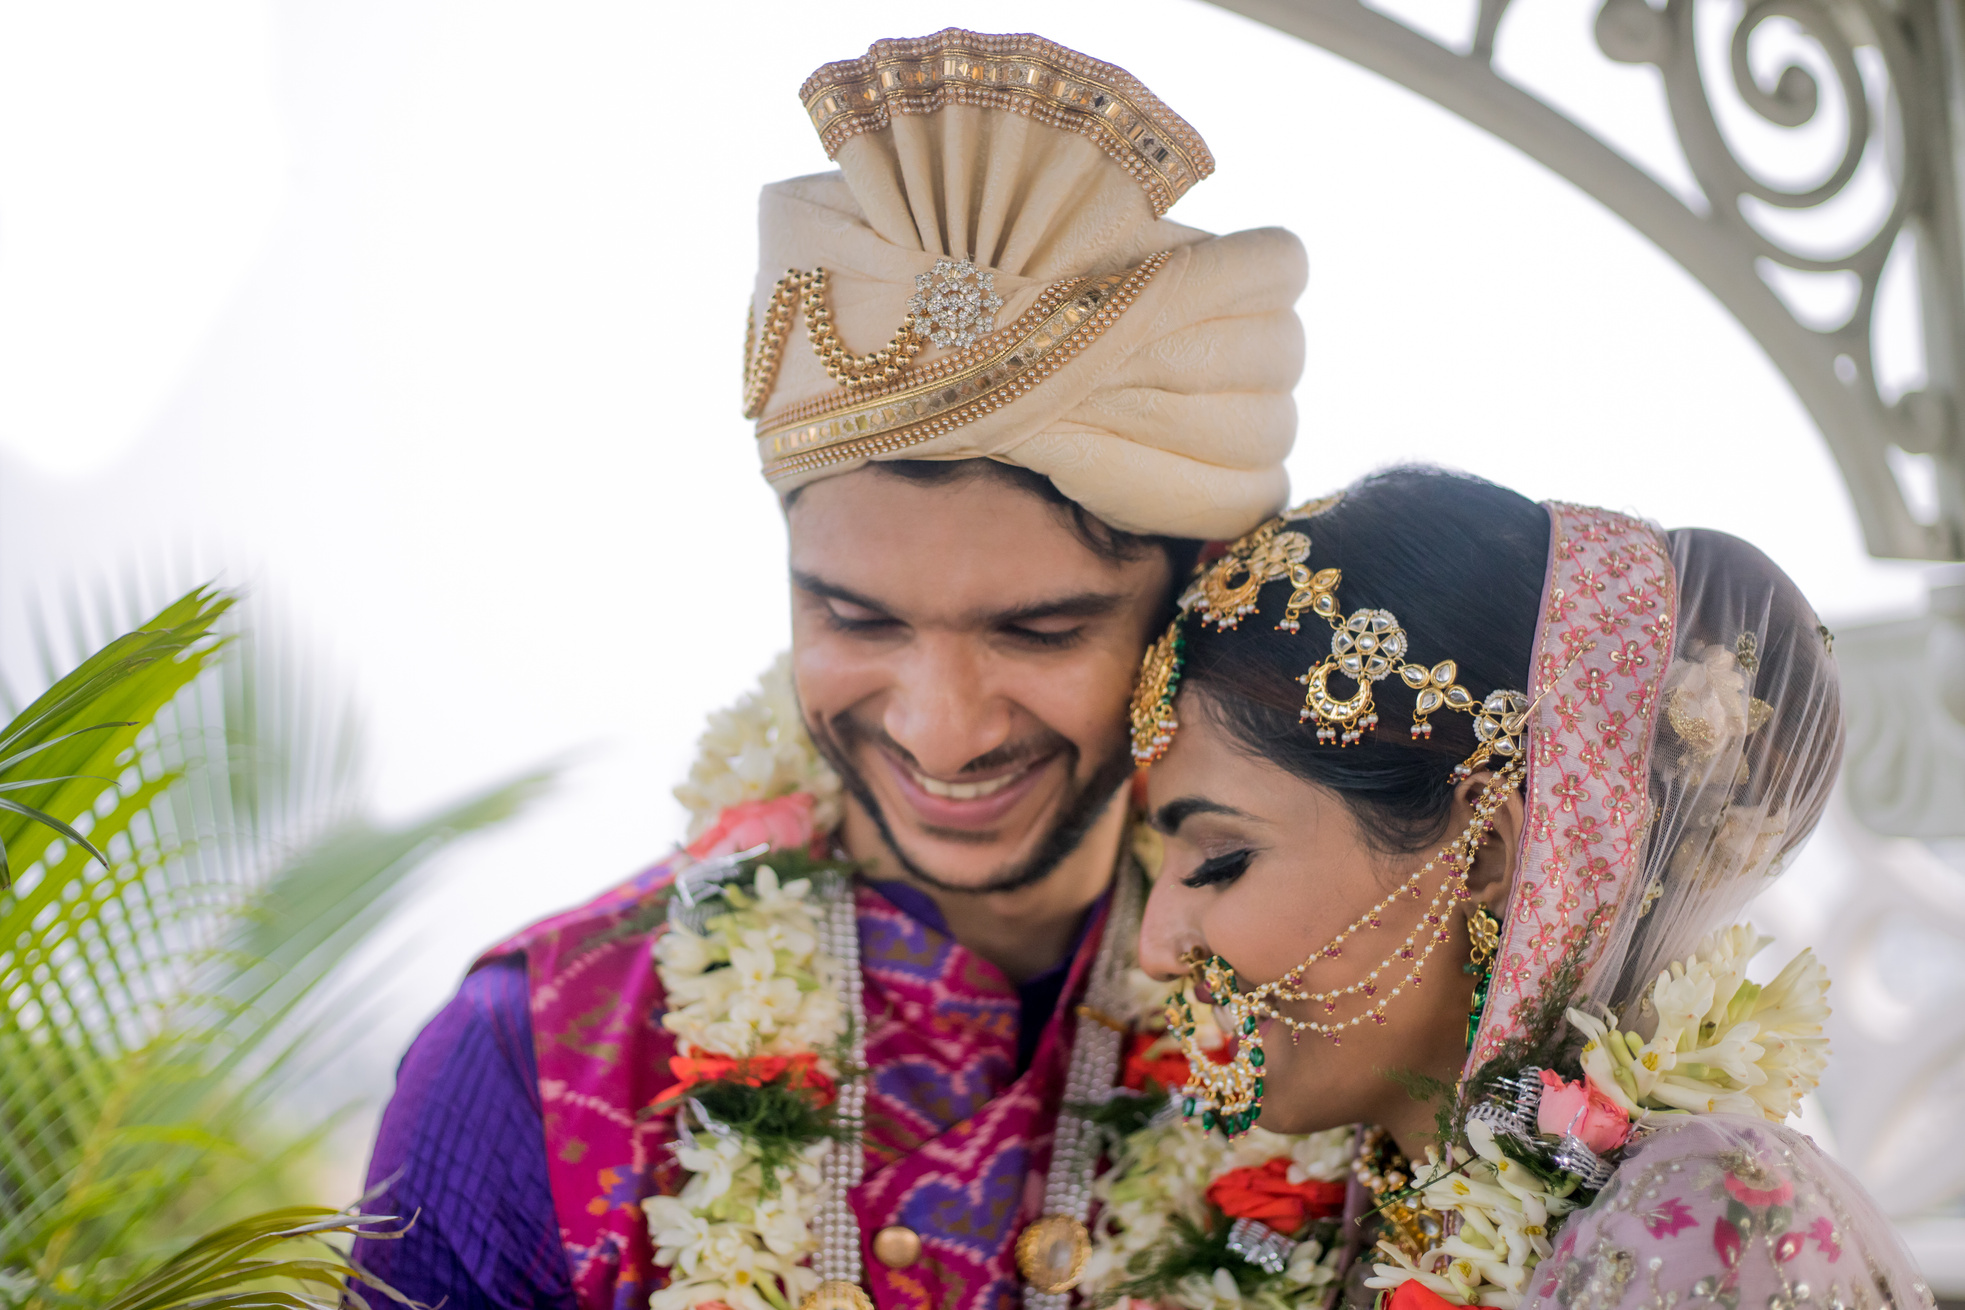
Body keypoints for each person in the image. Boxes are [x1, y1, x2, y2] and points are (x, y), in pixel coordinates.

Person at [354, 28, 1312, 1310]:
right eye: (858, 618)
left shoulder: (1328, 1034)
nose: (941, 728)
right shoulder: (535, 1054)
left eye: (1038, 632)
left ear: (1190, 607)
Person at [1128, 467, 1936, 1309]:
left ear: (1482, 854)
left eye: (1220, 861)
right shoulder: (1346, 1209)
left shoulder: (1709, 1218)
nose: (1154, 949)